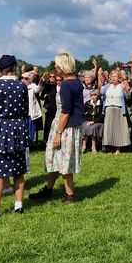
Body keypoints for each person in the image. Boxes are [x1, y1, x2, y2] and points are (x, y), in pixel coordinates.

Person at [30, 52, 85, 203]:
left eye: (56, 64)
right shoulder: (76, 82)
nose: (55, 66)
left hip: (65, 126)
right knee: (55, 158)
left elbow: (66, 112)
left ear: (62, 65)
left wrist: (58, 133)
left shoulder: (67, 84)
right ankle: (48, 189)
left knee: (63, 160)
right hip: (70, 125)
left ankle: (70, 194)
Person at [0, 55, 30, 220]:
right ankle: (19, 205)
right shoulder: (21, 86)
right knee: (18, 170)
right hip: (18, 128)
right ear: (14, 67)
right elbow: (25, 110)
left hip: (1, 128)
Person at [101, 70, 132, 154]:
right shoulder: (107, 86)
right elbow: (100, 92)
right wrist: (100, 78)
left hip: (119, 110)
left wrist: (126, 90)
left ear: (119, 78)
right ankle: (111, 147)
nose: (113, 78)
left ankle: (118, 148)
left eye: (115, 76)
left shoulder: (122, 86)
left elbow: (128, 98)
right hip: (109, 109)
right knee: (110, 129)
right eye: (112, 76)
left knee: (119, 129)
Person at [82, 90, 104, 154]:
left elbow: (102, 116)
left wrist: (93, 121)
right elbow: (82, 113)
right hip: (88, 121)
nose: (93, 97)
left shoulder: (101, 103)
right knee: (85, 126)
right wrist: (88, 120)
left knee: (93, 127)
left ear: (98, 96)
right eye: (91, 95)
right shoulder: (87, 103)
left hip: (98, 122)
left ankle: (93, 146)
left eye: (95, 95)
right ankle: (84, 146)